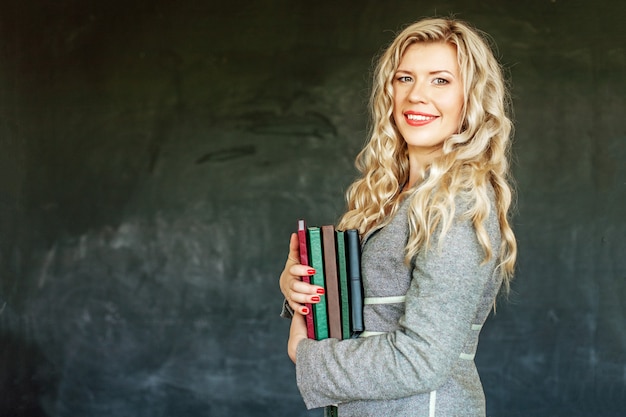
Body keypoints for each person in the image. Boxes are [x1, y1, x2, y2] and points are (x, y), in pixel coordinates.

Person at [279, 17, 517, 416]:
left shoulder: (460, 205)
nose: (416, 96)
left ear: (471, 97)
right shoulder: (388, 195)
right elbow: (368, 309)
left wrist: (304, 353)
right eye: (404, 78)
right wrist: (300, 289)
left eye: (440, 80)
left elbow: (420, 360)